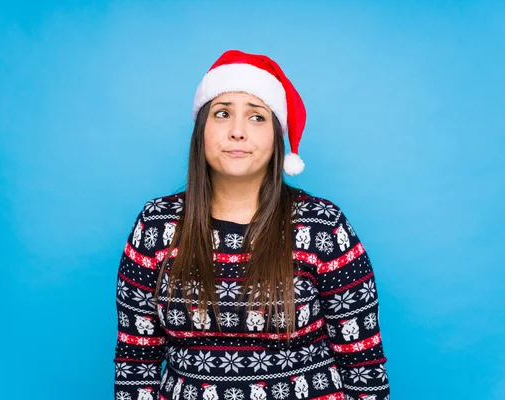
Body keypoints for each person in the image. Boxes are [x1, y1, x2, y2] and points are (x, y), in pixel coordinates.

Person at [114, 50, 390, 400]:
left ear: (277, 136)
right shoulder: (155, 226)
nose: (237, 132)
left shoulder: (324, 228)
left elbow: (364, 369)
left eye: (257, 117)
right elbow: (136, 362)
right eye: (223, 113)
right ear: (201, 130)